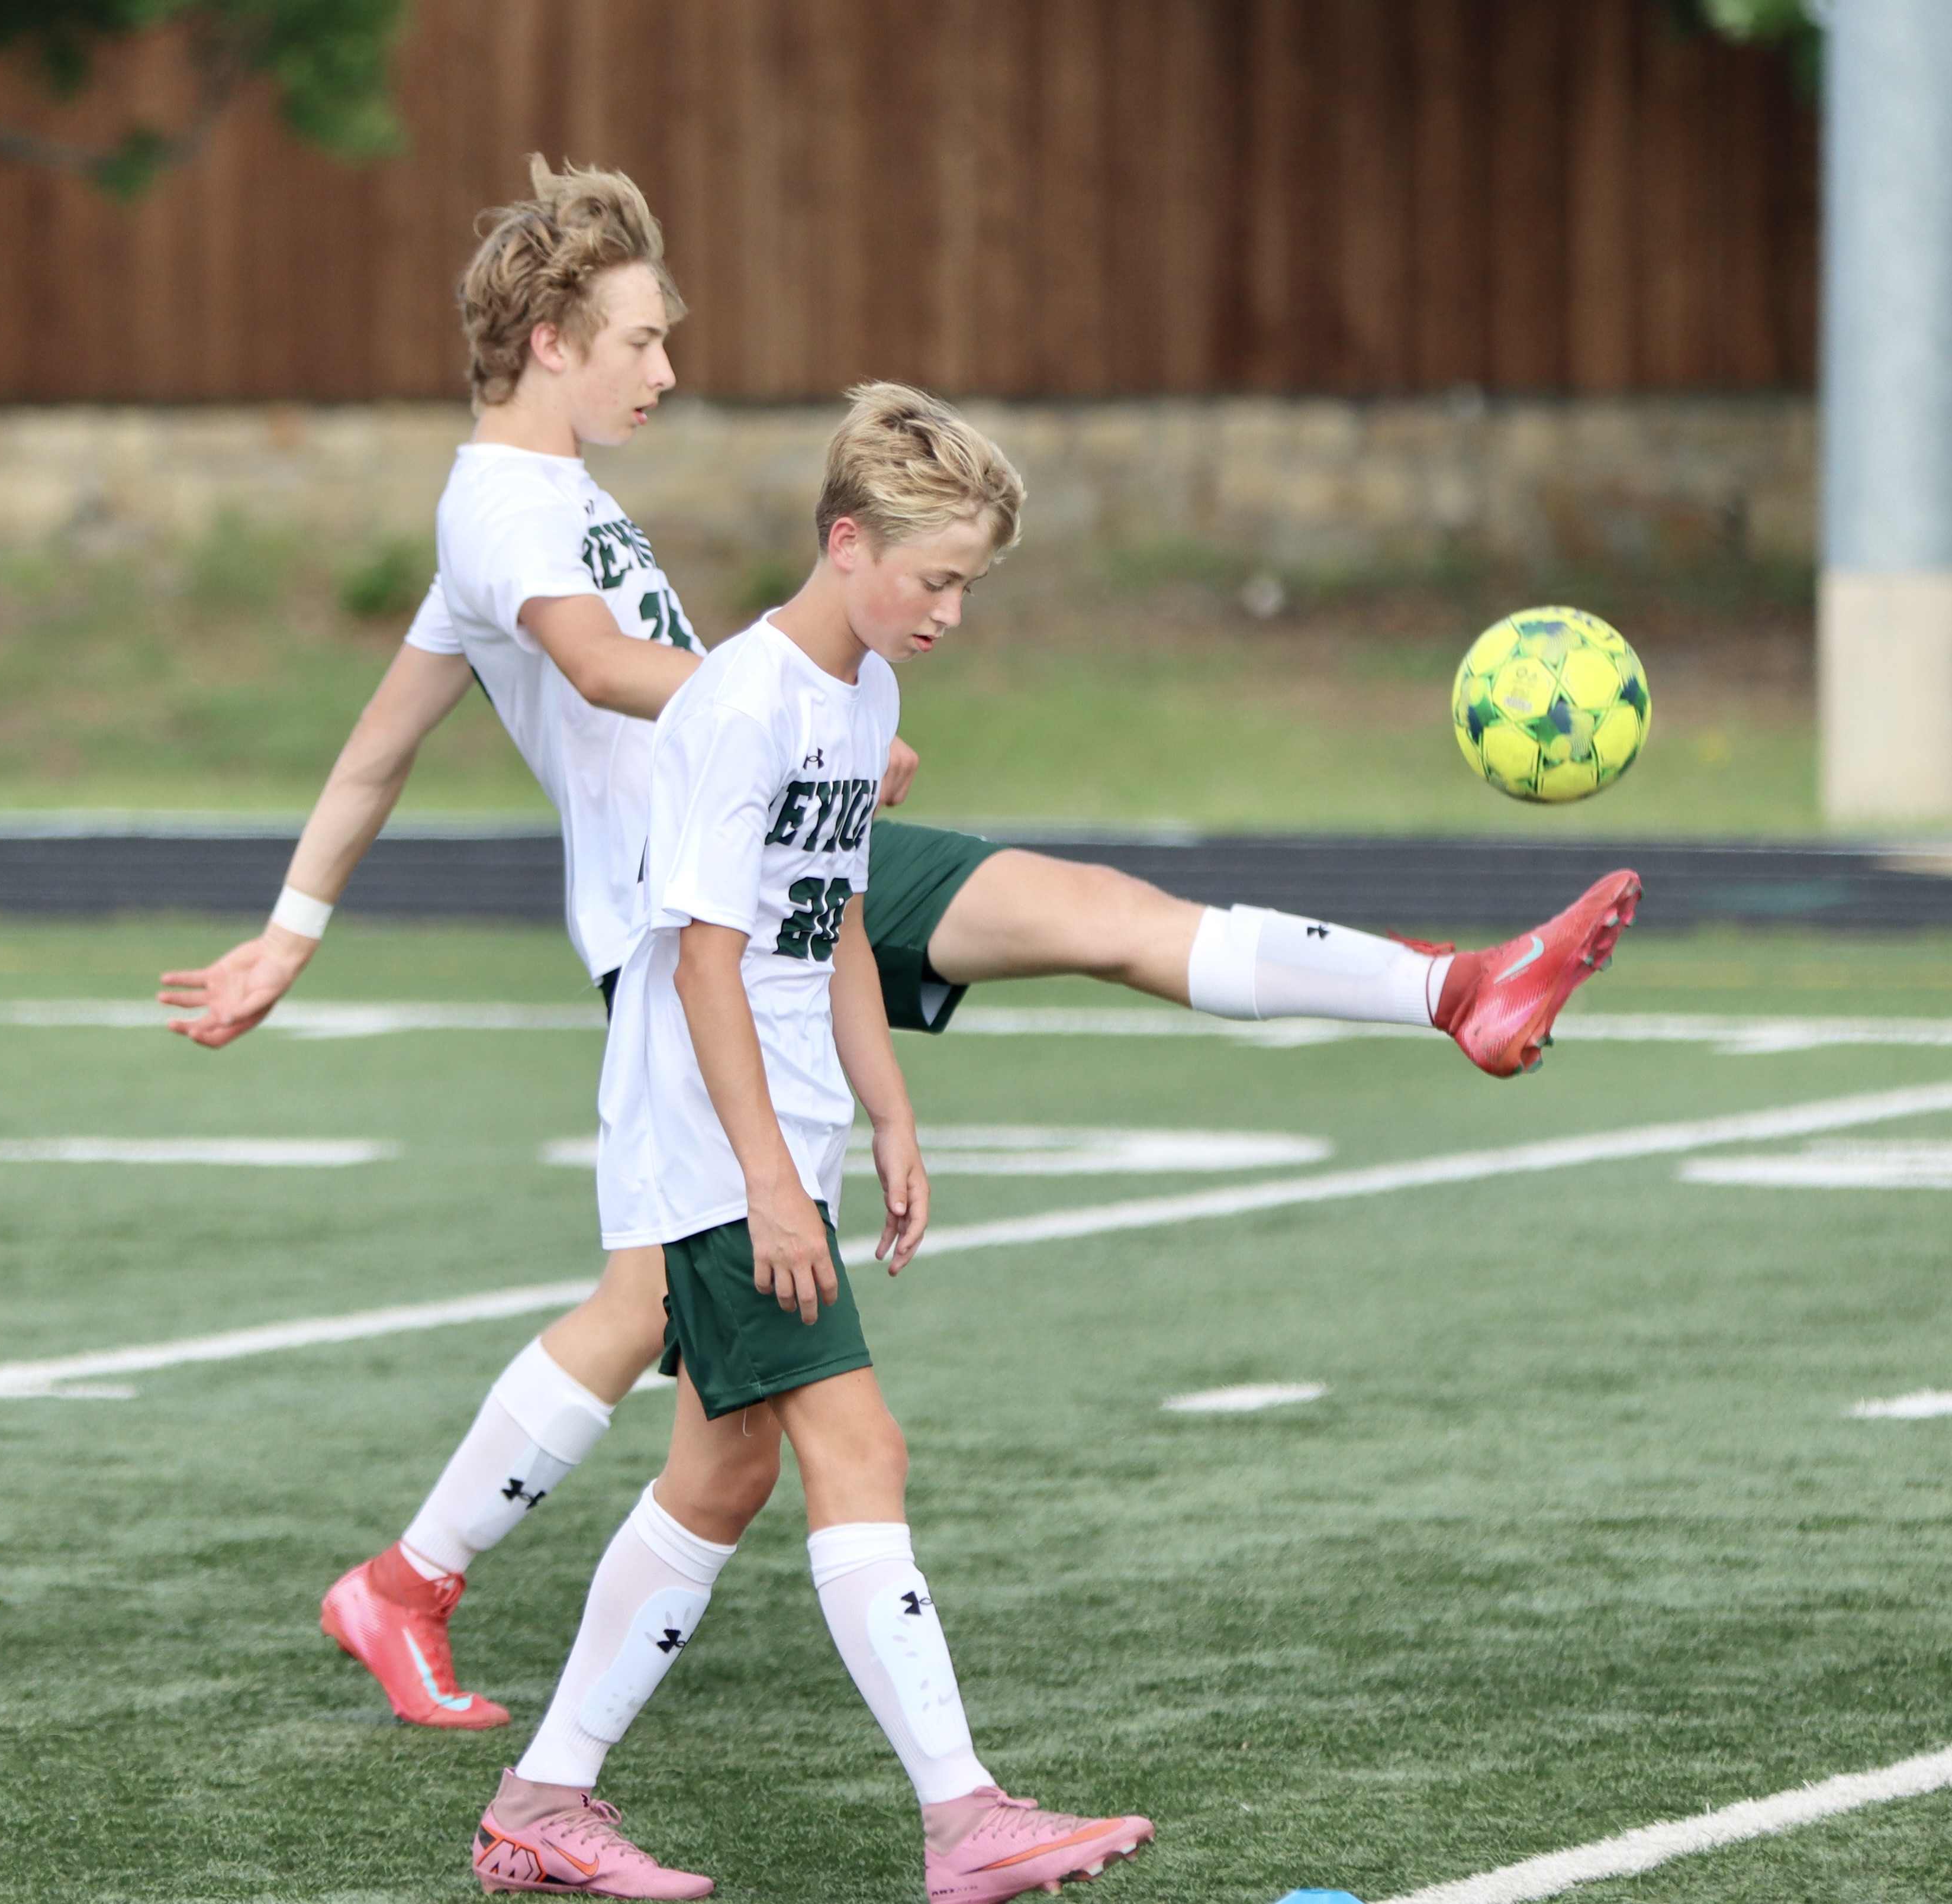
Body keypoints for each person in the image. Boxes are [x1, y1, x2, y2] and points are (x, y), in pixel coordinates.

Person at [154, 157, 1642, 1734]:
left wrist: (289, 931)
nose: (665, 369)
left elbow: (379, 746)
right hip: (700, 912)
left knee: (1078, 917)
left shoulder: (548, 499)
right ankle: (416, 1598)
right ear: (548, 340)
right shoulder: (504, 504)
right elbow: (592, 667)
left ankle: (1456, 988)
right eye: (641, 340)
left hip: (786, 854)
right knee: (661, 1321)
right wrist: (795, 713)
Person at [469, 387, 1148, 1902]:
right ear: (847, 545)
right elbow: (704, 961)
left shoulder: (863, 695)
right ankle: (964, 1819)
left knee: (722, 1475)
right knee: (860, 1445)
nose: (951, 612)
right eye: (935, 578)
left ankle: (541, 1801)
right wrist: (770, 1186)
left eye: (969, 584)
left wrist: (889, 1107)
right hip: (715, 1147)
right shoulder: (740, 703)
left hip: (784, 1128)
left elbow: (829, 918)